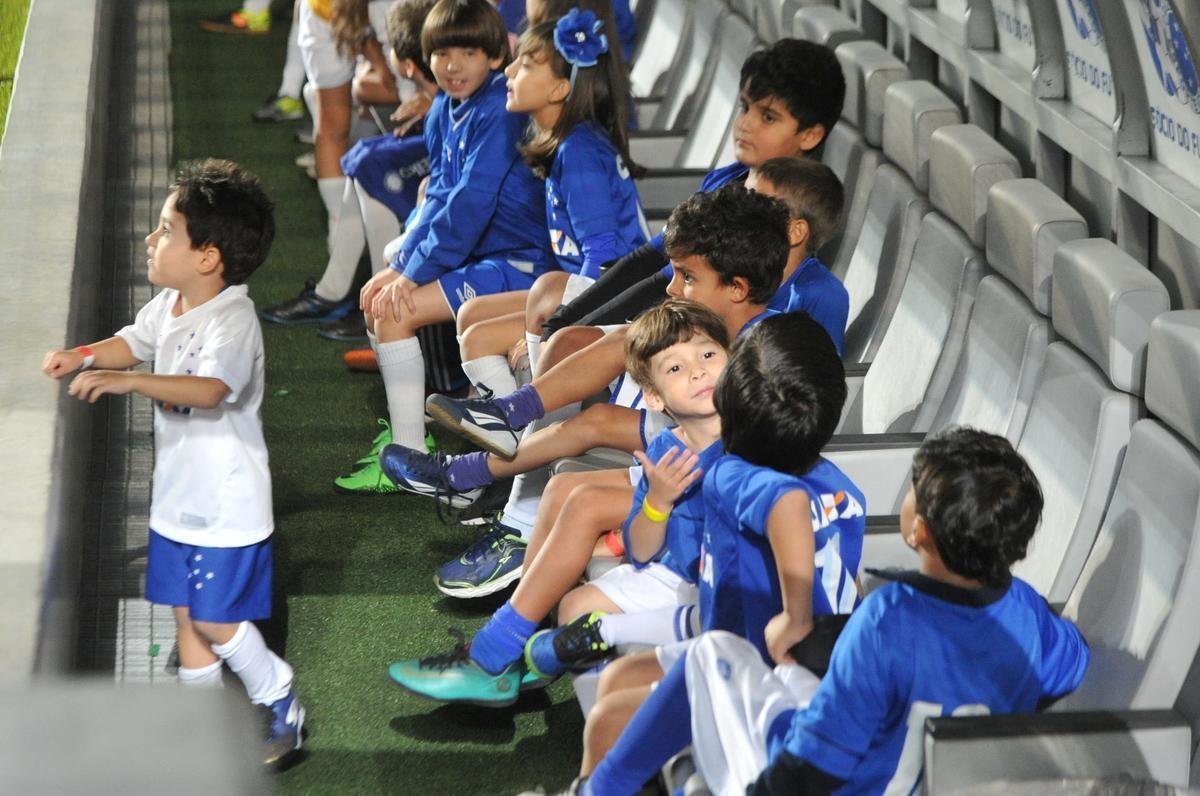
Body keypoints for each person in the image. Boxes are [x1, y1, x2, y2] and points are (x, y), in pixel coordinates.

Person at [581, 428, 1091, 796]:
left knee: (715, 651)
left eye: (913, 488)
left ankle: (598, 791)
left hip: (836, 783)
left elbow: (817, 764)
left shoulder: (889, 618)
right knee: (789, 670)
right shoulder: (1031, 618)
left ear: (918, 534)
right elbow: (1070, 667)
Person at [423, 38, 846, 457]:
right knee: (557, 316)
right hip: (677, 313)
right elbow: (657, 265)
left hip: (711, 379)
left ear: (810, 134)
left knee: (569, 340)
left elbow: (807, 378)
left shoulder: (804, 221)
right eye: (745, 108)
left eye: (768, 116)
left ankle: (513, 459)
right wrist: (570, 321)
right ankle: (511, 436)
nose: (746, 124)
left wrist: (576, 329)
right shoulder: (727, 181)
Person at [380, 186, 792, 597]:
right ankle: (505, 418)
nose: (672, 288)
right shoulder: (710, 325)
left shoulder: (762, 346)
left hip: (707, 455)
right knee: (580, 341)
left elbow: (738, 435)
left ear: (737, 288)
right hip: (685, 431)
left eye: (687, 277)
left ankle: (473, 479)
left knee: (600, 417)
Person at [41, 160, 305, 766]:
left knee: (214, 620)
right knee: (188, 619)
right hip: (177, 507)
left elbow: (211, 389)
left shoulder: (233, 320)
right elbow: (133, 341)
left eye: (165, 230)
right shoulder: (172, 304)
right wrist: (82, 355)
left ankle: (278, 695)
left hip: (226, 509)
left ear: (208, 256)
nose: (150, 239)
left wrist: (130, 385)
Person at [574, 311, 864, 794]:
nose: (699, 372)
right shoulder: (844, 488)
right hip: (793, 661)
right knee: (617, 681)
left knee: (609, 718)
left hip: (759, 670)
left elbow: (785, 504)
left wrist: (795, 616)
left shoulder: (730, 472)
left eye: (712, 358)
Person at [385, 299, 729, 705]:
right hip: (677, 561)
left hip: (707, 578)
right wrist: (651, 509)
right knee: (571, 557)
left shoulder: (749, 442)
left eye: (707, 355)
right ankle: (512, 649)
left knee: (583, 513)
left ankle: (500, 653)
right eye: (677, 367)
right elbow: (645, 547)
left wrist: (623, 538)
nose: (698, 370)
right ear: (655, 397)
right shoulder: (671, 444)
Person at [335, 0, 558, 490]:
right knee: (380, 294)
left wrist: (412, 271)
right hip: (484, 257)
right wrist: (403, 258)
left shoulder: (501, 110)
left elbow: (469, 204)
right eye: (442, 53)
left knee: (395, 309)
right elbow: (438, 193)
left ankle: (413, 456)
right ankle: (411, 443)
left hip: (521, 266)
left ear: (495, 57)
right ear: (426, 58)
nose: (453, 65)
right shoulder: (442, 109)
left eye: (468, 52)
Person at [452, 7, 647, 402]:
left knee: (479, 338)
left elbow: (604, 255)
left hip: (619, 301)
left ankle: (517, 436)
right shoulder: (570, 143)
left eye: (524, 66)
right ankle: (508, 428)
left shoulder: (579, 153)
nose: (508, 73)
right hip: (593, 288)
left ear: (560, 90)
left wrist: (559, 326)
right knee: (469, 314)